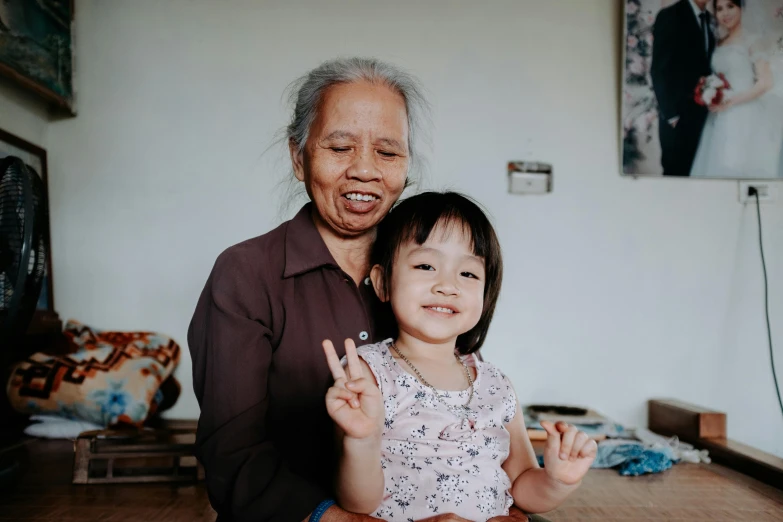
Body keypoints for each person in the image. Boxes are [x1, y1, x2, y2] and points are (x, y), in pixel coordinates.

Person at [187, 57, 427, 521]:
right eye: (340, 148)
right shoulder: (245, 274)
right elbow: (232, 456)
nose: (365, 170)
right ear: (299, 157)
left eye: (388, 152)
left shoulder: (425, 273)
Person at [322, 192, 596, 521]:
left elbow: (523, 484)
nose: (448, 285)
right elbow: (358, 504)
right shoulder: (368, 374)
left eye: (468, 274)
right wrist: (362, 440)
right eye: (426, 265)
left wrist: (557, 480)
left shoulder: (496, 385)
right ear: (382, 283)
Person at [690, 0, 783, 178]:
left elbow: (765, 82)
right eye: (719, 9)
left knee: (741, 167)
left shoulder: (752, 40)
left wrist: (730, 102)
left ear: (741, 8)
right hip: (719, 115)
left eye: (730, 6)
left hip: (745, 114)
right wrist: (709, 90)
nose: (725, 13)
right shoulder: (719, 42)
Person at [650, 0, 716, 176]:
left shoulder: (711, 19)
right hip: (678, 121)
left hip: (705, 119)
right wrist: (672, 116)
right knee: (676, 177)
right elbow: (659, 70)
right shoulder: (670, 15)